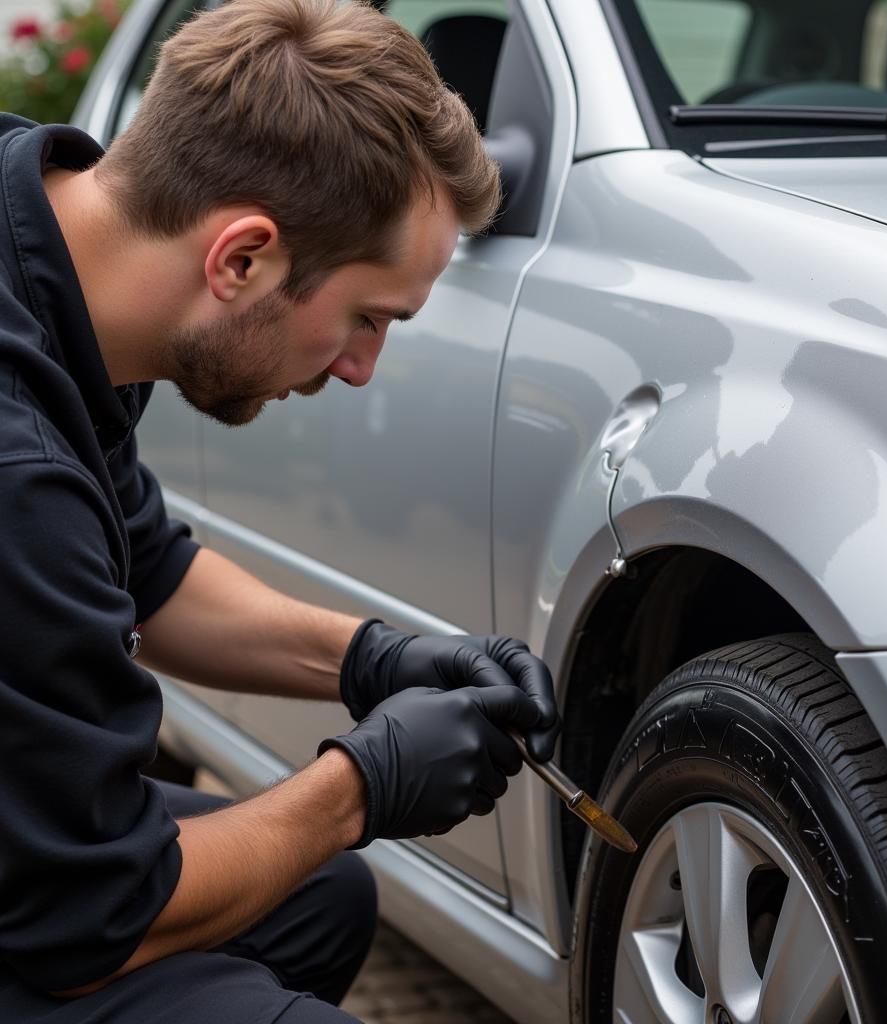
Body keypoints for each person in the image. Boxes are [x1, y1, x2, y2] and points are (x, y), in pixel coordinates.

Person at [0, 0, 561, 1020]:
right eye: (366, 319)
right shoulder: (18, 474)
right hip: (66, 917)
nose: (358, 369)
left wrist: (374, 657)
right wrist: (361, 788)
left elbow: (150, 569)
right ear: (242, 258)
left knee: (316, 893)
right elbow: (89, 920)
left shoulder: (47, 248)